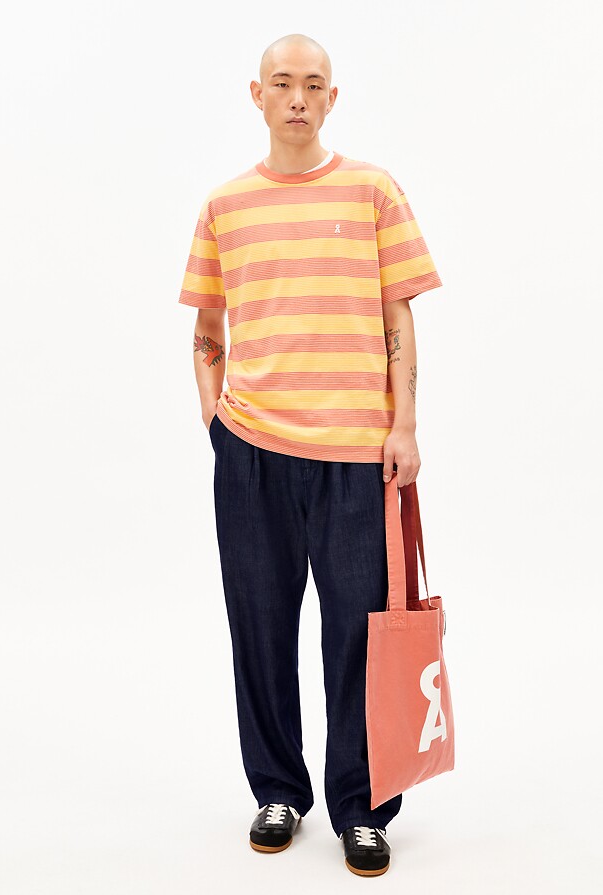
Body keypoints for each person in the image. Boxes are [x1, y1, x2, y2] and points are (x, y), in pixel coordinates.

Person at [177, 33, 442, 877]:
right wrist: (217, 424)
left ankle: (361, 807)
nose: (298, 97)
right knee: (258, 628)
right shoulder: (224, 206)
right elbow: (206, 329)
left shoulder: (372, 191)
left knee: (357, 636)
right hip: (251, 452)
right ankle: (278, 791)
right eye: (282, 83)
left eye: (313, 84)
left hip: (356, 455)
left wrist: (403, 426)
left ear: (333, 97)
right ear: (256, 95)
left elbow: (399, 317)